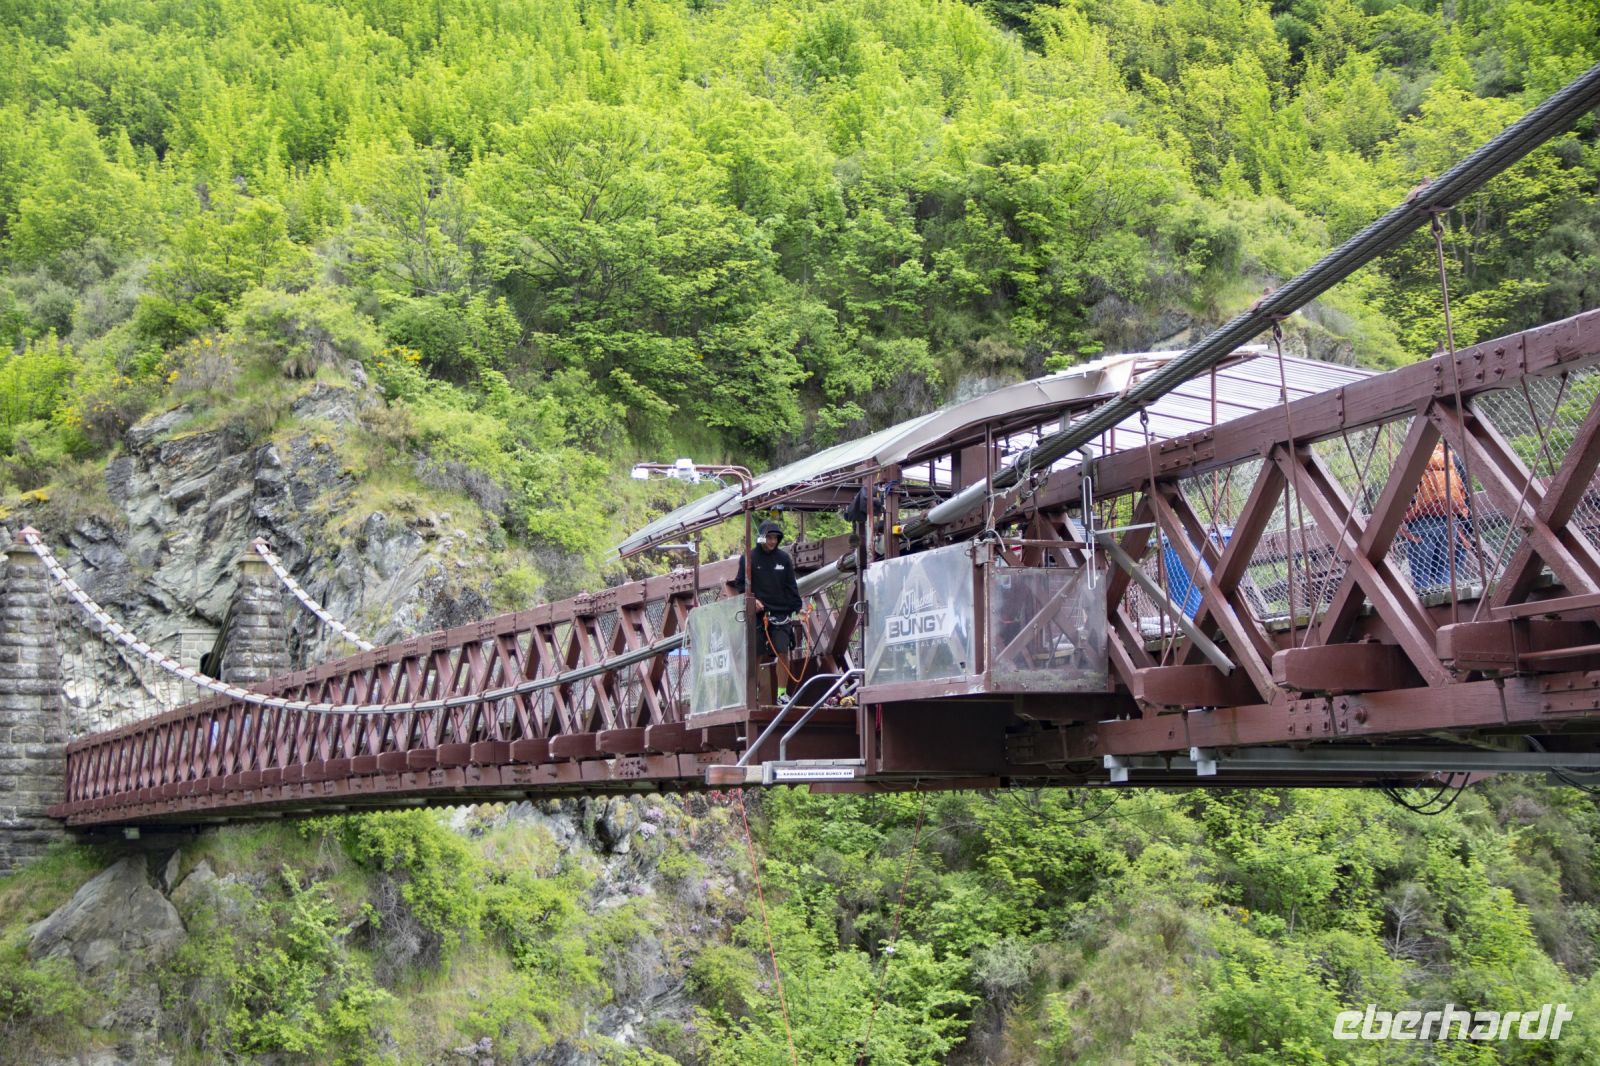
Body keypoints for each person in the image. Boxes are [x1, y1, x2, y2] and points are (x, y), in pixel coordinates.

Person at [1404, 443, 1471, 592]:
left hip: (1420, 521)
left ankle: (1424, 608)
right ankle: (1445, 602)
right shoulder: (1452, 458)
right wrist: (1467, 526)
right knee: (1445, 569)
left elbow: (1402, 494)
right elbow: (1464, 492)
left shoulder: (1411, 459)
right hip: (1449, 520)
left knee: (1421, 573)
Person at [732, 520, 803, 657]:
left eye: (775, 538)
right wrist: (753, 600)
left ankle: (784, 679)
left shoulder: (784, 558)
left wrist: (799, 608)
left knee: (783, 653)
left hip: (781, 614)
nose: (773, 541)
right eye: (769, 538)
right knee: (756, 656)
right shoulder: (748, 558)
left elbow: (791, 586)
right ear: (761, 538)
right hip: (758, 615)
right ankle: (755, 679)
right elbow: (740, 584)